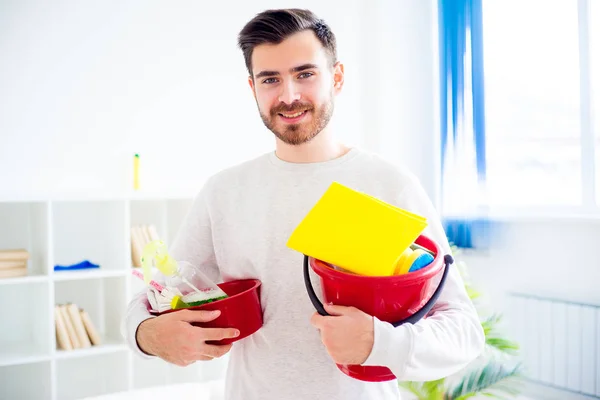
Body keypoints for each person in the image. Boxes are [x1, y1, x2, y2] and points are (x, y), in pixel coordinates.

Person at [124, 8, 485, 400]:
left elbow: (463, 331)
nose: (289, 95)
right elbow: (154, 299)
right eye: (270, 79)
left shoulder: (390, 185)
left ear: (337, 77)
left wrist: (380, 343)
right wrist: (147, 335)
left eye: (305, 74)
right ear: (253, 89)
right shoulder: (224, 191)